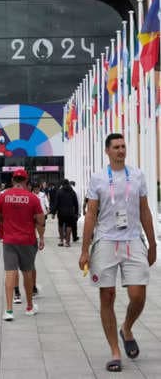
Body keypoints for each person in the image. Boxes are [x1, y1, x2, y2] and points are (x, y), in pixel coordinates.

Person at [79, 133, 156, 373]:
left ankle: (127, 328)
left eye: (123, 146)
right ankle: (115, 351)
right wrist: (84, 249)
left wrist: (152, 244)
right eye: (116, 147)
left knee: (138, 295)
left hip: (132, 239)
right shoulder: (99, 178)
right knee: (107, 295)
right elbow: (91, 214)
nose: (121, 150)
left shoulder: (138, 175)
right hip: (105, 241)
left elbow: (144, 210)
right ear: (107, 151)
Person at [0, 168, 45, 321]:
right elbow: (41, 220)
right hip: (28, 240)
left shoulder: (3, 197)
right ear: (26, 181)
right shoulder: (33, 198)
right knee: (27, 272)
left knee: (10, 273)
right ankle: (29, 307)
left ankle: (9, 311)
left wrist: (7, 220)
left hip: (9, 240)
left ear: (12, 180)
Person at [54, 179, 79, 247]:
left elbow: (56, 203)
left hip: (61, 212)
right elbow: (76, 203)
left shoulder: (59, 192)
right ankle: (67, 242)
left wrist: (53, 212)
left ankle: (61, 241)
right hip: (70, 212)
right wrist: (76, 213)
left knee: (60, 225)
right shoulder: (72, 192)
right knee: (69, 226)